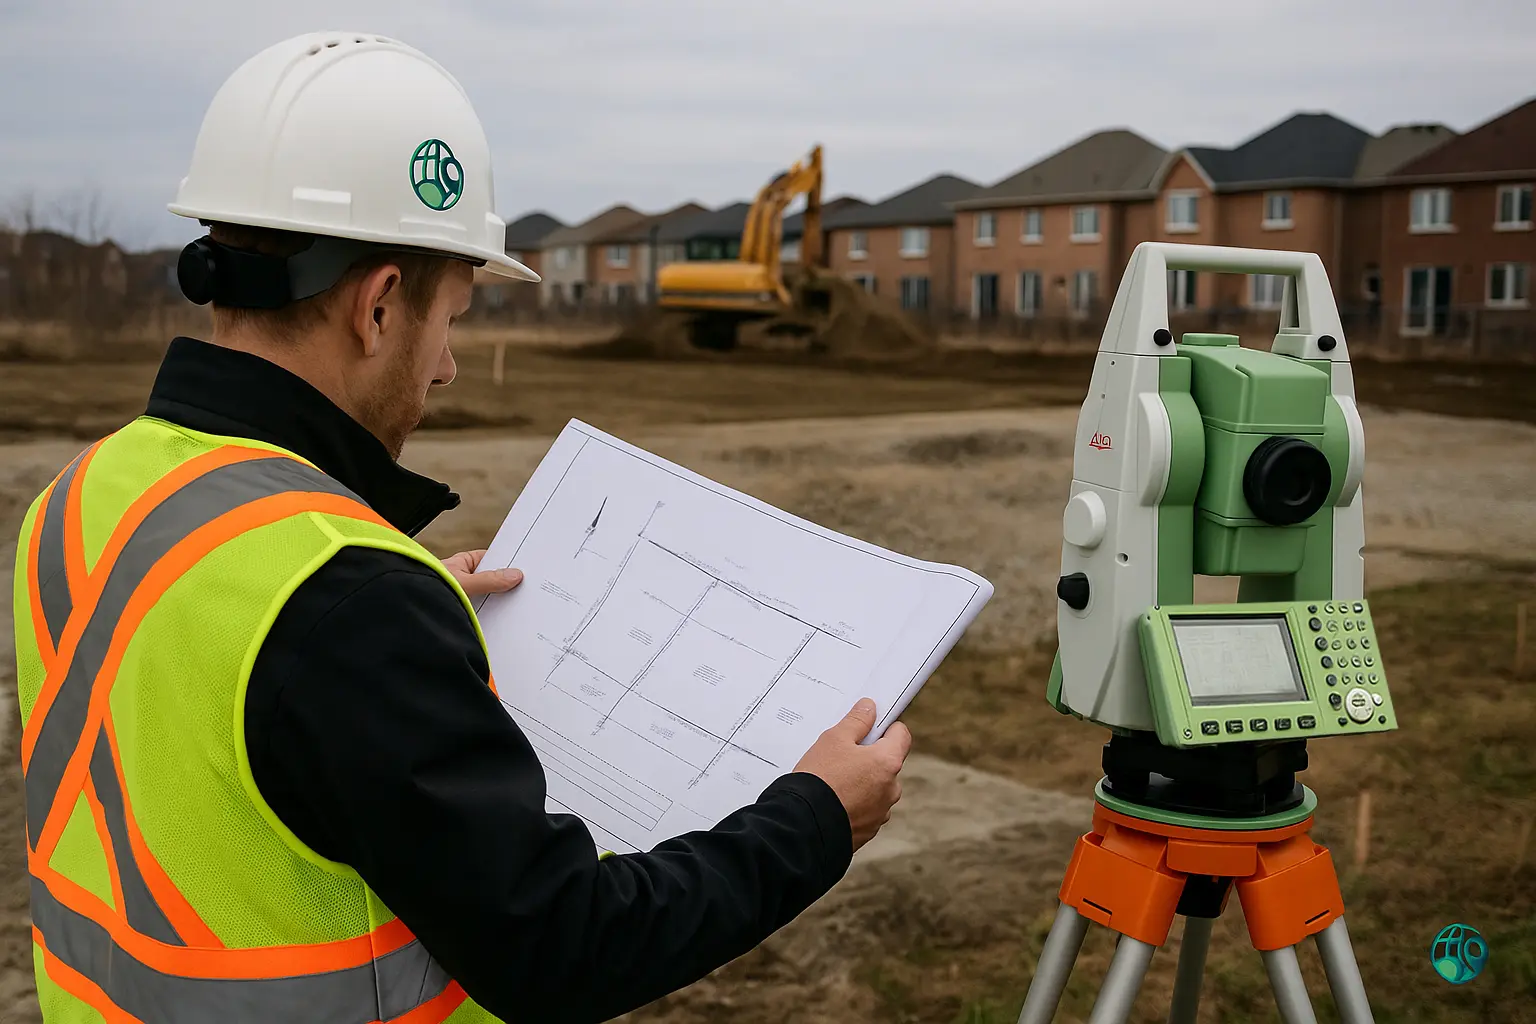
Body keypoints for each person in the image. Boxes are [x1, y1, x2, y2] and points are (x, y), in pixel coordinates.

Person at [12, 31, 911, 1024]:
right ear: (381, 306)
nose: (445, 368)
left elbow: (216, 689)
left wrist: (389, 606)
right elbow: (564, 943)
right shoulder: (346, 609)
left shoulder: (84, 494)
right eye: (454, 322)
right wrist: (815, 818)